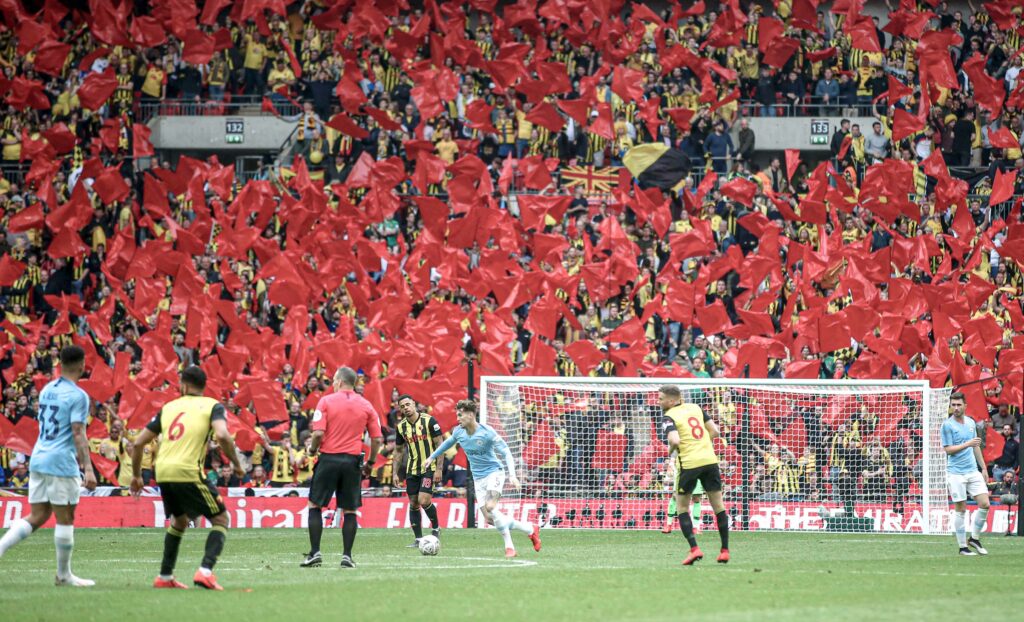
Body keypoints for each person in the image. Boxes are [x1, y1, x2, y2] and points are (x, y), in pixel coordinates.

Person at [129, 366, 245, 590]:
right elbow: (222, 434)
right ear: (204, 386)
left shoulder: (169, 407)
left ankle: (164, 577)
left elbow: (138, 443)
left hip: (162, 471)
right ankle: (205, 572)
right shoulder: (212, 405)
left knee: (179, 522)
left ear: (183, 385)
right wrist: (237, 464)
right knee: (221, 520)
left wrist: (136, 476)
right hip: (188, 471)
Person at [0, 345, 97, 586]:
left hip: (39, 457)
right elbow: (78, 431)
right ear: (82, 365)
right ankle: (63, 576)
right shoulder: (78, 396)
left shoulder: (47, 390)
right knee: (65, 518)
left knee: (39, 514)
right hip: (60, 461)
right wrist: (88, 467)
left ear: (60, 364)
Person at [427, 400, 541, 558]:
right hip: (478, 478)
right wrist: (431, 457)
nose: (458, 418)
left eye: (460, 415)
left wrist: (512, 476)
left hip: (494, 472)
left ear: (471, 414)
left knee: (491, 506)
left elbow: (506, 452)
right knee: (489, 519)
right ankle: (530, 529)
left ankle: (510, 548)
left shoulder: (487, 432)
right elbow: (447, 444)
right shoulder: (458, 431)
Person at [301, 366, 383, 569]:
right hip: (352, 461)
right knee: (350, 510)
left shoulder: (326, 401)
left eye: (333, 380)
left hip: (328, 459)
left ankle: (315, 553)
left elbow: (318, 434)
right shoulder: (365, 405)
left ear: (338, 381)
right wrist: (370, 462)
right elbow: (377, 438)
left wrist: (312, 450)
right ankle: (347, 556)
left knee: (315, 505)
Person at [659, 385, 730, 565]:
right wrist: (702, 446)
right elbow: (715, 431)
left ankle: (694, 549)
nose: (658, 402)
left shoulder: (669, 417)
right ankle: (724, 550)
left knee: (682, 507)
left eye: (661, 399)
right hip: (710, 461)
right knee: (719, 506)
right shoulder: (696, 408)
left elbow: (675, 440)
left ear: (672, 401)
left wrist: (670, 451)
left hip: (689, 464)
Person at [940, 392, 991, 556]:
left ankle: (974, 538)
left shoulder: (970, 423)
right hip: (956, 473)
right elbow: (948, 450)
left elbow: (976, 446)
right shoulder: (947, 425)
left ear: (965, 406)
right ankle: (963, 547)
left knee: (985, 504)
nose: (955, 408)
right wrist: (967, 443)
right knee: (961, 509)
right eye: (953, 405)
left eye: (958, 404)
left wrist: (983, 468)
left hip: (972, 471)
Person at [393, 395, 444, 547]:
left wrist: (439, 469)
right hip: (412, 469)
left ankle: (436, 528)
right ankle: (418, 539)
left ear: (414, 404)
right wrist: (395, 472)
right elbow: (398, 450)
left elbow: (440, 445)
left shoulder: (429, 421)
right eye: (402, 406)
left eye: (408, 404)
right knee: (413, 503)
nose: (406, 408)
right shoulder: (401, 427)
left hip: (429, 467)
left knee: (424, 500)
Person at [660, 450, 705, 535]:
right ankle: (668, 525)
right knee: (675, 496)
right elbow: (676, 447)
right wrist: (671, 463)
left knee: (696, 498)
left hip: (697, 469)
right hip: (682, 470)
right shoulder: (682, 438)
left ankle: (695, 527)